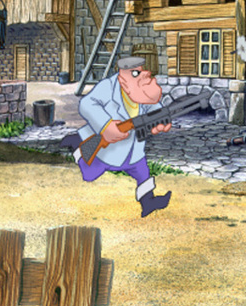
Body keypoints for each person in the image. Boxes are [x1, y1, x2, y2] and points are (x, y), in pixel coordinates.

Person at [74, 57, 173, 217]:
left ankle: (148, 202)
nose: (142, 76)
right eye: (135, 73)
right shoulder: (108, 87)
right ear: (122, 76)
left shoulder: (142, 93)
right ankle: (77, 147)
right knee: (89, 174)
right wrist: (105, 125)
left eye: (141, 71)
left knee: (142, 172)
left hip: (134, 150)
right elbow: (86, 104)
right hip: (108, 151)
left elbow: (154, 108)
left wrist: (160, 122)